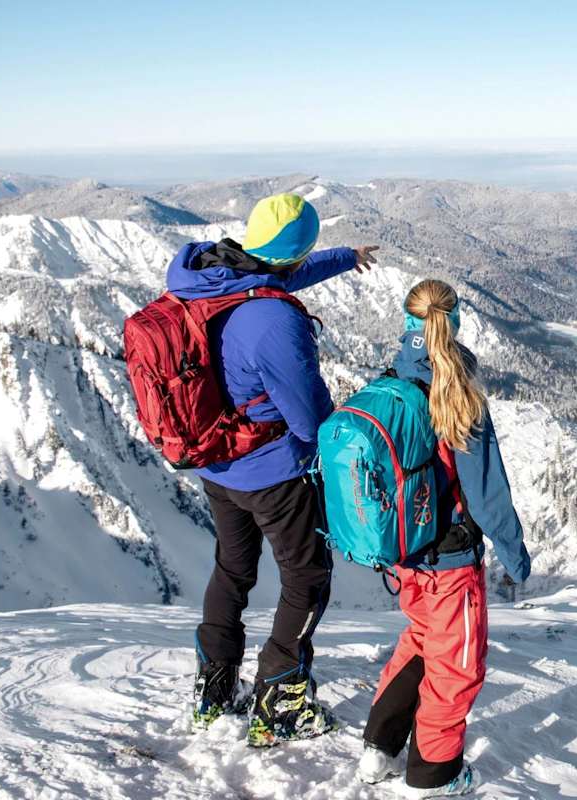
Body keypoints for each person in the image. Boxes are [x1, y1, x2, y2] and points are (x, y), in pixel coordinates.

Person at [167, 192, 378, 746]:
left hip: (217, 465)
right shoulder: (273, 320)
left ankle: (213, 689)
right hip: (273, 475)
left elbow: (283, 272)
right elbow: (309, 418)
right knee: (306, 579)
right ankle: (280, 698)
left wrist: (344, 257)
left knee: (232, 571)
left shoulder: (209, 275)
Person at [357, 279, 531, 796]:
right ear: (454, 321)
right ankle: (433, 777)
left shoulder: (393, 379)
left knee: (422, 640)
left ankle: (380, 747)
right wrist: (515, 556)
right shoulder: (457, 389)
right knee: (457, 665)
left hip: (408, 553)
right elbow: (486, 493)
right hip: (451, 559)